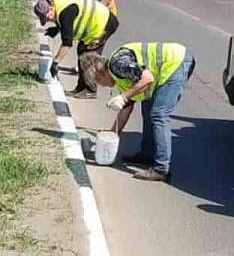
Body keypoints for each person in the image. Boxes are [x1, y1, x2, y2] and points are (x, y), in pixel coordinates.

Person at [80, 42, 195, 182]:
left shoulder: (117, 65)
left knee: (159, 114)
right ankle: (147, 154)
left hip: (176, 62)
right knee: (147, 108)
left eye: (98, 81)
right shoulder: (120, 78)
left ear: (99, 72)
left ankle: (161, 169)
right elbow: (125, 110)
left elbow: (147, 78)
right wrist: (111, 136)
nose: (101, 85)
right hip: (168, 65)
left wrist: (124, 96)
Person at [33, 0, 119, 99]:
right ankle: (81, 88)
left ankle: (90, 89)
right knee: (82, 51)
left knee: (87, 56)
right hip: (100, 22)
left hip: (104, 25)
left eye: (48, 18)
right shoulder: (59, 5)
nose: (49, 20)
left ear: (51, 8)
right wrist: (57, 29)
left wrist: (55, 63)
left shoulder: (65, 12)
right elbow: (68, 22)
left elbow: (67, 44)